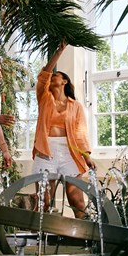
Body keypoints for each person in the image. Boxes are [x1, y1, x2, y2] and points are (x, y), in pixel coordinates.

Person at [32, 41, 96, 218]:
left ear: (65, 81)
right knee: (44, 201)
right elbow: (44, 75)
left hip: (69, 152)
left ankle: (83, 240)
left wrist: (87, 156)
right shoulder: (44, 98)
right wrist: (59, 51)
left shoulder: (75, 106)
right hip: (46, 151)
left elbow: (80, 133)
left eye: (56, 75)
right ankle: (35, 238)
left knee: (77, 200)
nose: (52, 76)